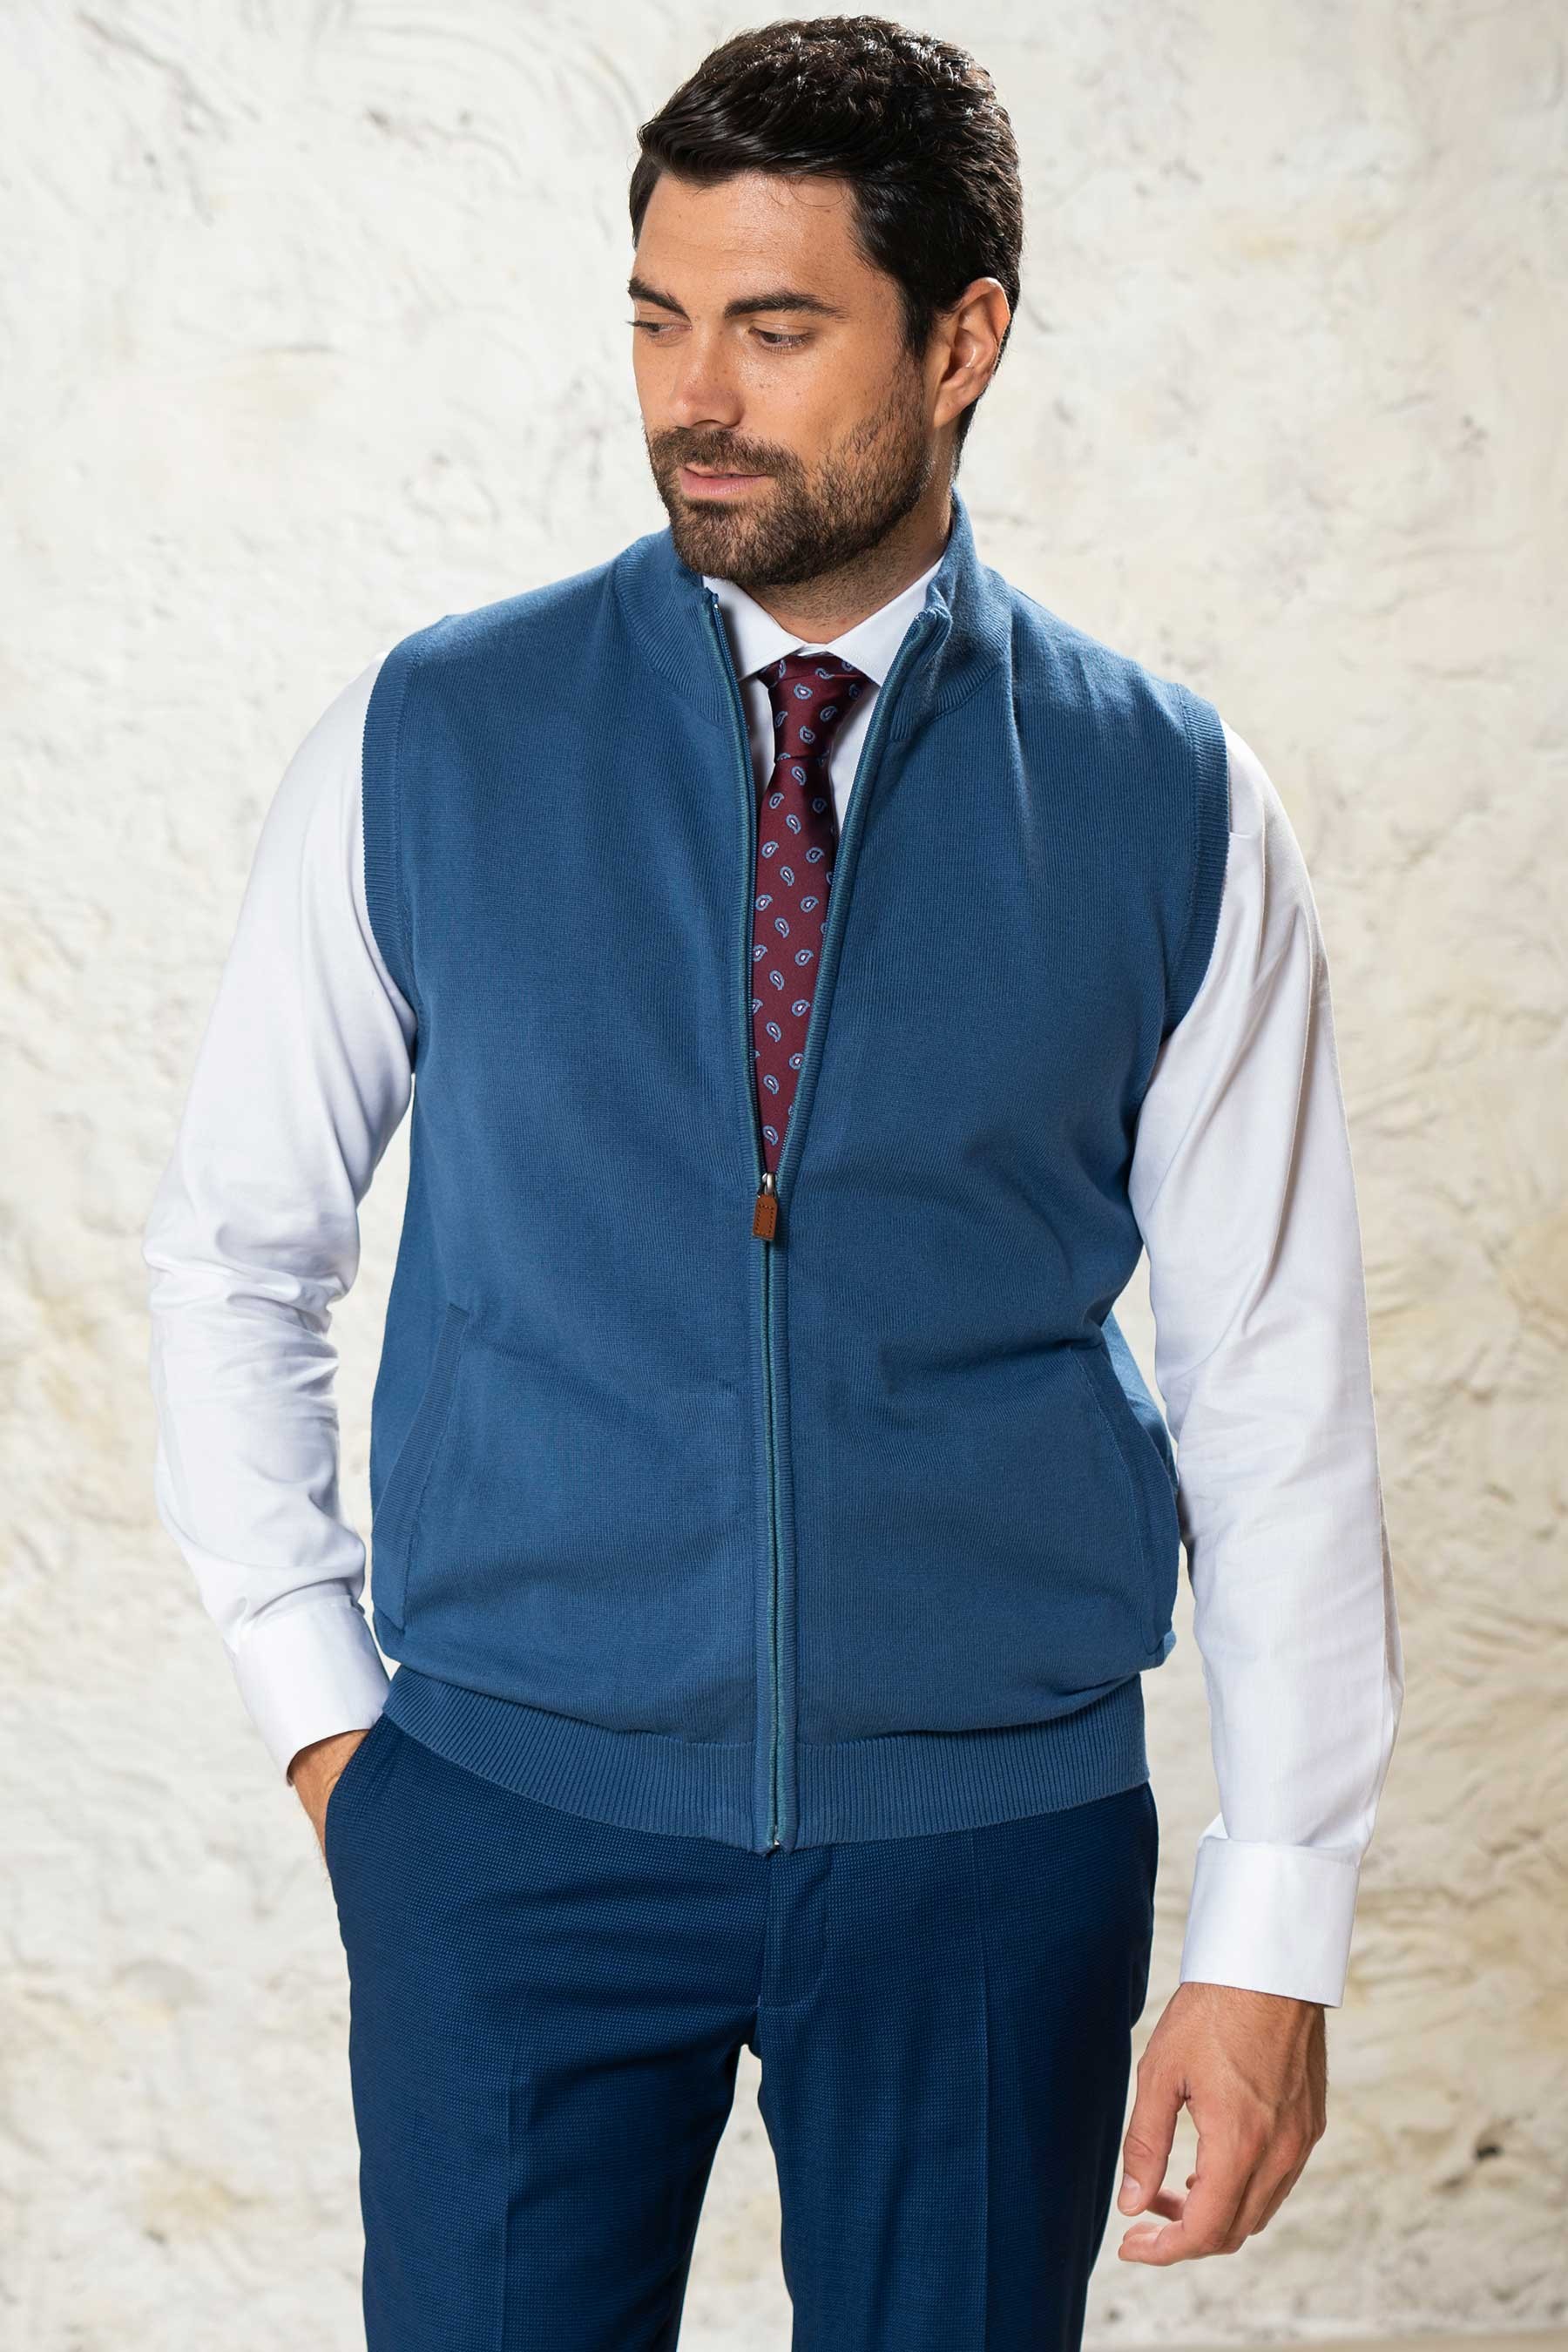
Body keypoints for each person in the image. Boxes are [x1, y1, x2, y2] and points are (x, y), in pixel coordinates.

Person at [141, 17, 1403, 2348]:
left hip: (988, 1856)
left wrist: (1276, 1922)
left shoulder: (1169, 801)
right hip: (506, 1831)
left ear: (964, 342)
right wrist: (338, 1732)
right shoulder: (431, 738)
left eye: (777, 326)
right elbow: (239, 1253)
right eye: (658, 317)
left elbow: (1273, 1380)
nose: (693, 396)